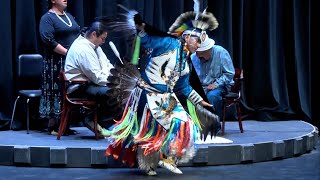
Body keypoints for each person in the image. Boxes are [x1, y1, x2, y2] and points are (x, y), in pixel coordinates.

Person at [102, 7, 220, 176]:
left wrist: (200, 101)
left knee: (185, 124)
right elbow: (147, 41)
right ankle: (148, 165)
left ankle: (169, 158)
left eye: (201, 42)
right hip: (147, 94)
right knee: (150, 132)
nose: (199, 45)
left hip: (166, 97)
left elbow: (184, 87)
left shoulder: (185, 63)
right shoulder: (168, 43)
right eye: (198, 41)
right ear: (188, 37)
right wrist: (140, 28)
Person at [64, 20, 116, 136]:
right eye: (102, 38)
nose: (104, 42)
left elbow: (106, 64)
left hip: (90, 83)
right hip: (78, 87)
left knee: (118, 90)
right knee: (113, 92)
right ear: (93, 34)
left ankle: (99, 120)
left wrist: (115, 76)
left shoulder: (95, 46)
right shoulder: (82, 49)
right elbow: (96, 77)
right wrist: (115, 82)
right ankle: (96, 120)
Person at [39, 0, 80, 135]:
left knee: (69, 91)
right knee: (57, 90)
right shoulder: (47, 18)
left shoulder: (68, 16)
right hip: (55, 63)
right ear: (53, 0)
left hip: (71, 61)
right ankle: (53, 125)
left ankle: (65, 124)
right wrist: (68, 53)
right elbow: (48, 40)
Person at [191, 35, 235, 119]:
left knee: (212, 96)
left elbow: (229, 73)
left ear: (208, 50)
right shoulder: (194, 57)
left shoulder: (221, 52)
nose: (199, 57)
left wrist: (217, 84)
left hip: (220, 86)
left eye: (201, 54)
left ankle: (214, 123)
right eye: (197, 54)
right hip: (202, 86)